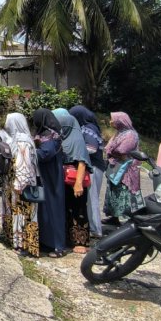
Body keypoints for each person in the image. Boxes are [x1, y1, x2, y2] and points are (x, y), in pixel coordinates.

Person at [0, 112, 40, 257]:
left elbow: (25, 165)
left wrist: (20, 184)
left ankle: (23, 244)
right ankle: (14, 240)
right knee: (15, 213)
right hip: (12, 183)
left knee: (22, 214)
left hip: (21, 185)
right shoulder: (13, 139)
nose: (6, 125)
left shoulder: (23, 141)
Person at [53, 108, 92, 254]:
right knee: (66, 209)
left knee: (78, 210)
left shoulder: (76, 140)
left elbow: (82, 162)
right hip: (63, 180)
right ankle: (68, 238)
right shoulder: (61, 137)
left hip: (75, 180)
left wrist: (78, 184)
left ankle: (81, 241)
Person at [32, 109, 67, 258]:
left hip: (51, 176)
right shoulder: (50, 133)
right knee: (45, 210)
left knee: (53, 209)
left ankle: (58, 246)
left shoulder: (50, 135)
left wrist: (30, 151)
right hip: (47, 175)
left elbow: (46, 153)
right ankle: (47, 242)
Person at [69, 105, 106, 240]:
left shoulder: (88, 129)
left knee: (92, 198)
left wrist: (76, 151)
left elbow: (91, 148)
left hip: (93, 167)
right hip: (93, 166)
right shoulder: (87, 127)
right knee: (90, 199)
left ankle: (96, 229)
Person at [102, 112, 143, 223]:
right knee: (114, 191)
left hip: (126, 169)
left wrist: (111, 150)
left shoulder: (130, 134)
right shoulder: (119, 133)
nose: (111, 122)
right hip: (116, 166)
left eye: (112, 119)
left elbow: (122, 150)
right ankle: (114, 217)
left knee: (124, 191)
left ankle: (128, 219)